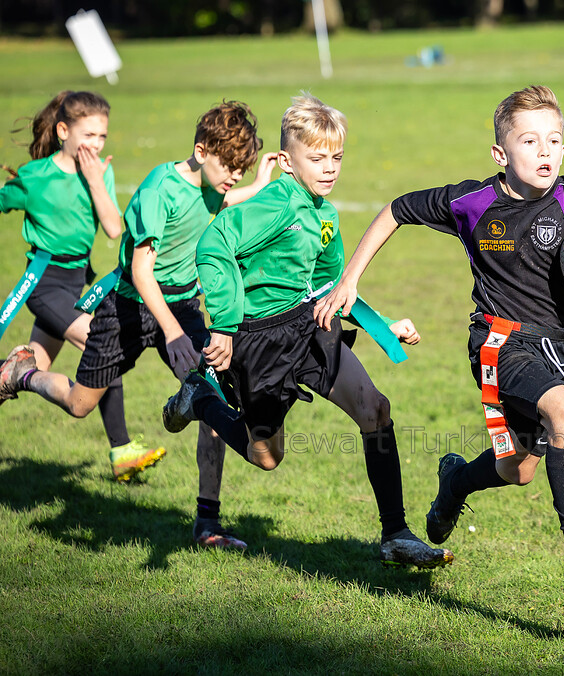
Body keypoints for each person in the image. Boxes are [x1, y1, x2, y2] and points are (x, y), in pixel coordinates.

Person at [314, 85, 564, 599]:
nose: (545, 151)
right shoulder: (473, 203)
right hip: (499, 344)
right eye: (530, 141)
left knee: (518, 468)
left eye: (554, 140)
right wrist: (350, 279)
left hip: (558, 348)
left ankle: (454, 483)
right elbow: (396, 209)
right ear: (501, 155)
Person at [161, 93, 453, 570]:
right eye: (317, 158)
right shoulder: (275, 204)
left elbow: (330, 289)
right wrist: (227, 326)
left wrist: (383, 327)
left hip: (310, 327)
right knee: (266, 457)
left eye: (336, 157)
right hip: (257, 340)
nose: (330, 167)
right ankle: (204, 402)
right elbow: (214, 244)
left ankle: (395, 534)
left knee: (375, 408)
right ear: (287, 162)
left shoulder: (325, 214)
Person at [0, 100, 276, 549]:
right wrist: (173, 333)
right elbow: (142, 273)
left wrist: (260, 183)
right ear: (202, 150)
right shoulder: (157, 189)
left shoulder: (211, 181)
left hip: (183, 305)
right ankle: (21, 374)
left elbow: (221, 198)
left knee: (211, 396)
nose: (234, 176)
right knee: (79, 404)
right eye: (230, 166)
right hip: (128, 307)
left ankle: (208, 523)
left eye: (240, 170)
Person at [0, 90, 165, 482]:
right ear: (63, 131)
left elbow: (113, 227)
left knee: (30, 367)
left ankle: (8, 376)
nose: (95, 144)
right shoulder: (35, 178)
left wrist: (95, 180)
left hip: (79, 282)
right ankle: (123, 452)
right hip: (44, 283)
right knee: (105, 345)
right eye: (88, 134)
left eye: (102, 136)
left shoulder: (100, 172)